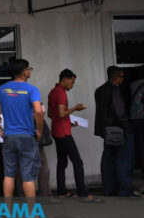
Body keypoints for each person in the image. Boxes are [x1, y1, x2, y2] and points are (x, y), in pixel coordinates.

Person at [0, 59, 43, 210]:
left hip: (9, 137)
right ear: (24, 71)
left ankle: (8, 210)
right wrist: (39, 130)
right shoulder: (32, 90)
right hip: (27, 137)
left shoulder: (2, 89)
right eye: (29, 68)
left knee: (9, 175)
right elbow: (38, 111)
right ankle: (32, 213)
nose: (30, 71)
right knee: (28, 177)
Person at [47, 69, 98, 201]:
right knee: (77, 161)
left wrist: (68, 122)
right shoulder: (61, 92)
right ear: (65, 79)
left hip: (56, 131)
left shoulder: (52, 92)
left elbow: (50, 114)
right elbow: (61, 113)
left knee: (62, 162)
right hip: (64, 133)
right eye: (72, 82)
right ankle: (82, 192)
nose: (72, 85)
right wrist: (76, 108)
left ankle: (61, 191)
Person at [94, 66, 136, 197]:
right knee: (123, 159)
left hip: (106, 131)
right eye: (122, 76)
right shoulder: (115, 90)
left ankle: (108, 189)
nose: (123, 79)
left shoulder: (99, 90)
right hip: (119, 130)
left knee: (108, 158)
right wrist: (128, 128)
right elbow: (120, 112)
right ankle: (124, 189)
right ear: (117, 77)